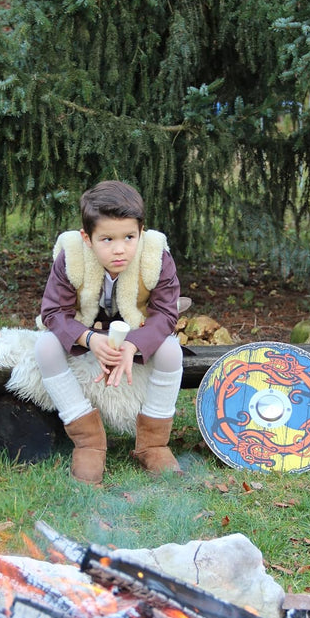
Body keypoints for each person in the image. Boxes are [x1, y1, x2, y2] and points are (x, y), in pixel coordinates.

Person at [34, 180, 184, 484]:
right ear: (87, 238)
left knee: (171, 349)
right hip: (83, 334)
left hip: (136, 332)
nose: (120, 249)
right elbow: (52, 312)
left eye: (129, 237)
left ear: (142, 231)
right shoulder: (72, 255)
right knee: (45, 347)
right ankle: (88, 442)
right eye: (107, 239)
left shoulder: (155, 255)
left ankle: (153, 443)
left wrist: (133, 345)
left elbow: (166, 313)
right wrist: (88, 338)